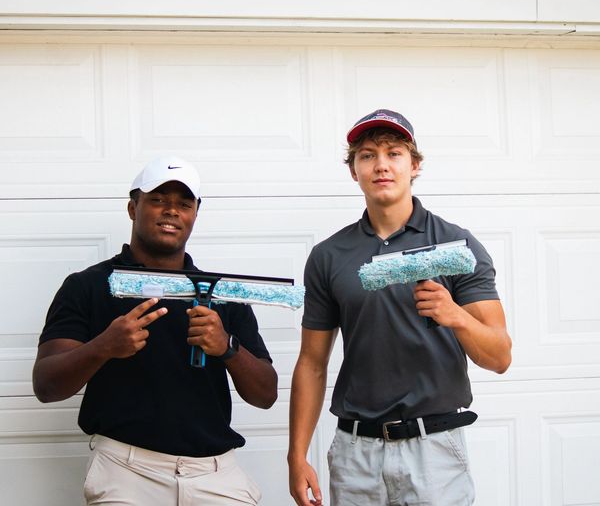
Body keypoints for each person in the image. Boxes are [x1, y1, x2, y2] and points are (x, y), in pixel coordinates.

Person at [288, 110, 512, 506]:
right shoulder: (329, 255)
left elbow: (499, 356)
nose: (381, 165)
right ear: (353, 170)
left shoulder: (456, 246)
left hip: (435, 452)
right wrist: (296, 455)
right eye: (368, 155)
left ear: (415, 165)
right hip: (356, 452)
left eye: (394, 153)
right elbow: (311, 362)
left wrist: (454, 314)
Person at [33, 155, 277, 506]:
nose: (171, 211)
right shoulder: (88, 286)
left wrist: (226, 347)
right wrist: (104, 346)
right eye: (158, 200)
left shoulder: (222, 294)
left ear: (196, 212)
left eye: (183, 203)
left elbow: (265, 395)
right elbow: (46, 385)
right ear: (133, 207)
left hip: (214, 473)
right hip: (126, 470)